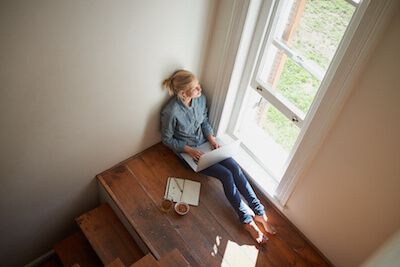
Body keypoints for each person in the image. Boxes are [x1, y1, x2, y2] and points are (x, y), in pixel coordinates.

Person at [160, 70, 276, 243]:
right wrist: (190, 150)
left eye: (198, 84)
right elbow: (167, 139)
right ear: (182, 93)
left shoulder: (201, 99)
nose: (200, 89)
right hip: (187, 154)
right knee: (226, 175)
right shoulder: (171, 112)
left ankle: (259, 212)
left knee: (235, 168)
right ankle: (247, 221)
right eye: (195, 88)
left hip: (206, 145)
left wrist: (212, 140)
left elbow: (205, 122)